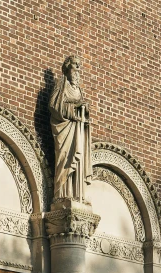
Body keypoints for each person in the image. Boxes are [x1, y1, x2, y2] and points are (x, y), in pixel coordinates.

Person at [49, 55, 92, 202]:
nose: (78, 68)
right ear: (68, 67)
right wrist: (74, 110)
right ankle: (63, 194)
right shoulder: (61, 84)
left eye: (79, 65)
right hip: (65, 129)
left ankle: (76, 193)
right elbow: (54, 106)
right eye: (75, 64)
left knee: (78, 159)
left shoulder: (78, 89)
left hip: (77, 129)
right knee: (66, 158)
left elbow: (80, 107)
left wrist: (84, 111)